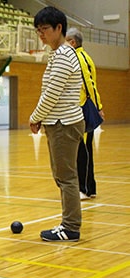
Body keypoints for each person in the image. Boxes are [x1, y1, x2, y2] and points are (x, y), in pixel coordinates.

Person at [30, 7, 85, 242]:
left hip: (64, 123)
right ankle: (68, 223)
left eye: (45, 29)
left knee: (67, 177)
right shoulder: (57, 54)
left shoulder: (64, 55)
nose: (41, 35)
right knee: (63, 176)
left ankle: (70, 226)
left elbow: (51, 93)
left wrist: (35, 116)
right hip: (58, 122)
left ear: (58, 28)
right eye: (38, 30)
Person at [66, 27, 105, 201]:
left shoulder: (80, 58)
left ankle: (85, 188)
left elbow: (91, 85)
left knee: (83, 150)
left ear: (73, 42)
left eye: (66, 41)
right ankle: (89, 186)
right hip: (78, 108)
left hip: (83, 108)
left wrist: (98, 107)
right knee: (81, 149)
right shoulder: (80, 57)